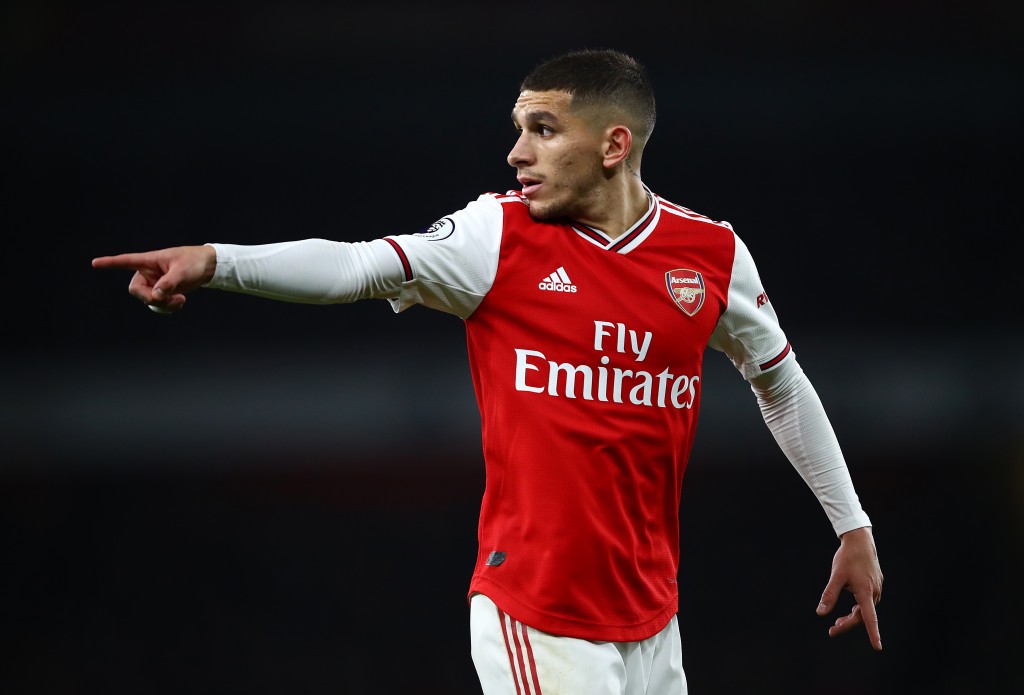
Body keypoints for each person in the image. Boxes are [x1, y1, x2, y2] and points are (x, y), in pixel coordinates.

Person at [93, 48, 883, 694]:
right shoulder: (496, 237)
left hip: (652, 618)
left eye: (543, 129)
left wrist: (852, 524)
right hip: (539, 614)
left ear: (614, 146)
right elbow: (357, 266)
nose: (517, 153)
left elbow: (780, 381)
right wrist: (215, 261)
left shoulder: (710, 254)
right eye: (518, 130)